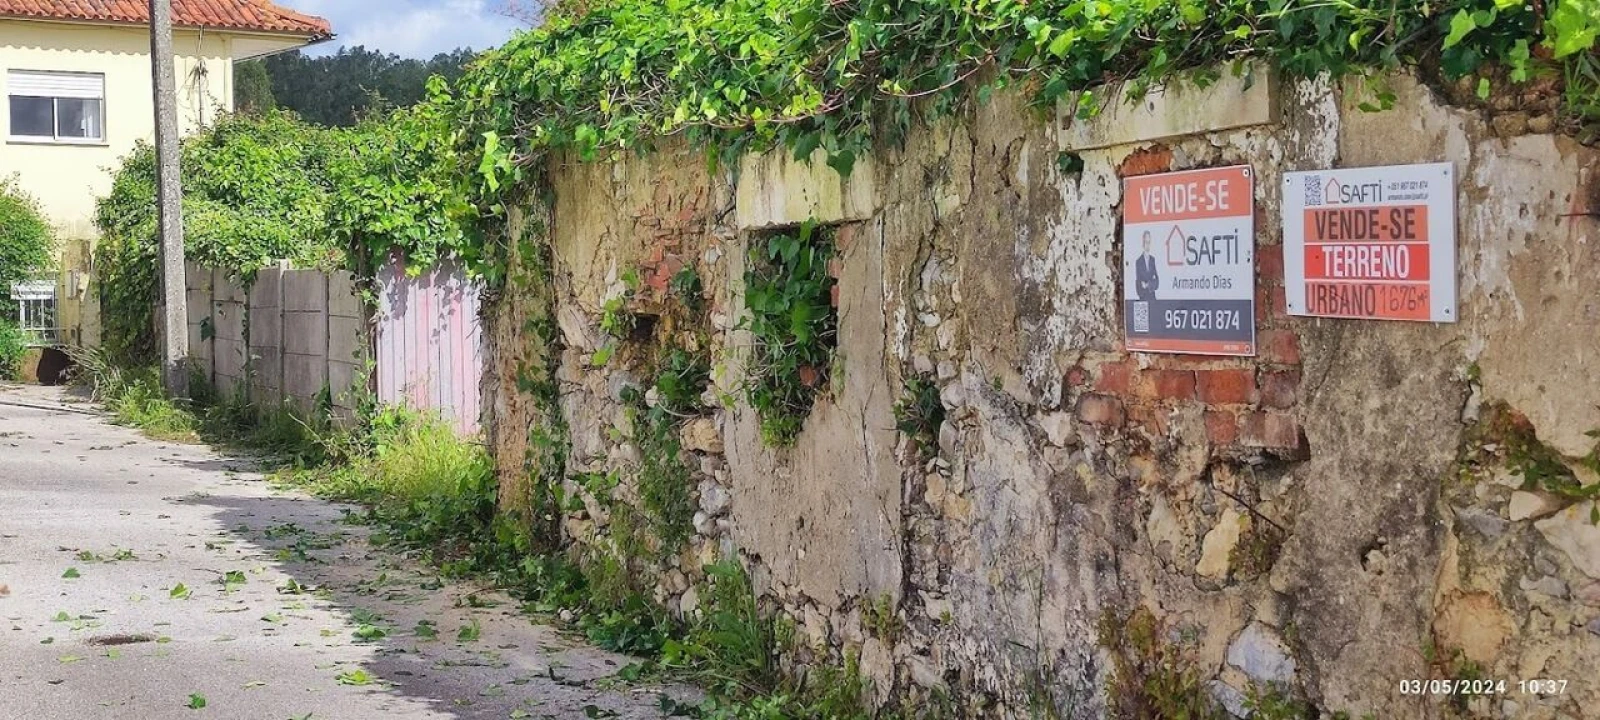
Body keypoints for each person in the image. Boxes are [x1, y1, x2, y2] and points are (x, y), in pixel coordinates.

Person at [1135, 230, 1159, 301]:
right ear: (1143, 243)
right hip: (1143, 298)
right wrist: (1149, 284)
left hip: (1153, 298)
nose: (1148, 245)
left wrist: (1147, 284)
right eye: (1146, 242)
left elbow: (1157, 282)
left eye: (1149, 242)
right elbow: (1138, 285)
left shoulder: (1152, 260)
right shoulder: (1138, 262)